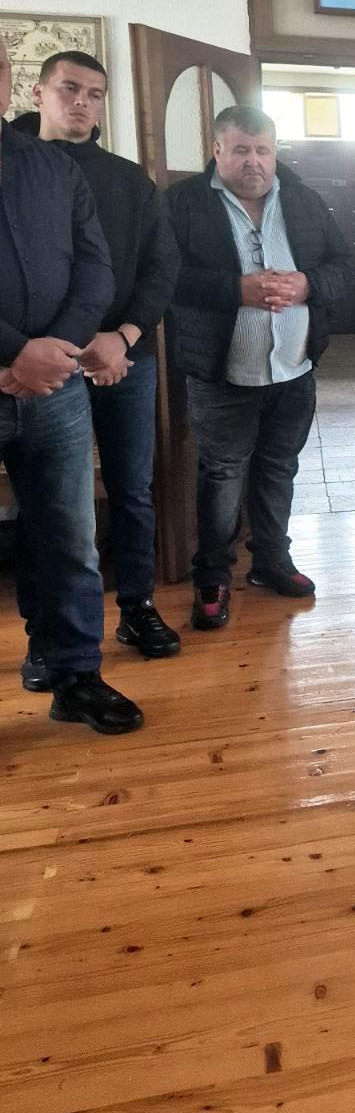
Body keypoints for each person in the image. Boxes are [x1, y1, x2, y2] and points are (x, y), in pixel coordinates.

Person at [14, 51, 182, 692]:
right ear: (38, 92)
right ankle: (45, 636)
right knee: (47, 508)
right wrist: (43, 350)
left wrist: (124, 336)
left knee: (132, 489)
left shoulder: (129, 181)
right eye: (69, 88)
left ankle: (137, 605)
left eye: (95, 93)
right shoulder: (17, 167)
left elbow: (160, 269)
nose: (82, 102)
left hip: (121, 357)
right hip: (35, 365)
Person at [166, 105, 355, 629]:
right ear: (217, 151)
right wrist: (235, 290)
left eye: (263, 151)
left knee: (279, 468)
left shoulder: (303, 199)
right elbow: (165, 277)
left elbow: (345, 266)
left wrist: (308, 285)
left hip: (293, 369)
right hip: (221, 372)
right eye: (241, 150)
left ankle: (271, 560)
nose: (254, 161)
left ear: (275, 153)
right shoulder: (183, 203)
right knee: (223, 474)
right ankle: (213, 575)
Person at [0, 45, 143, 733]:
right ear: (40, 91)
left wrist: (52, 350)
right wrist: (12, 353)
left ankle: (75, 674)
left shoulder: (53, 168)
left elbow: (96, 270)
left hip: (55, 386)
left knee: (69, 537)